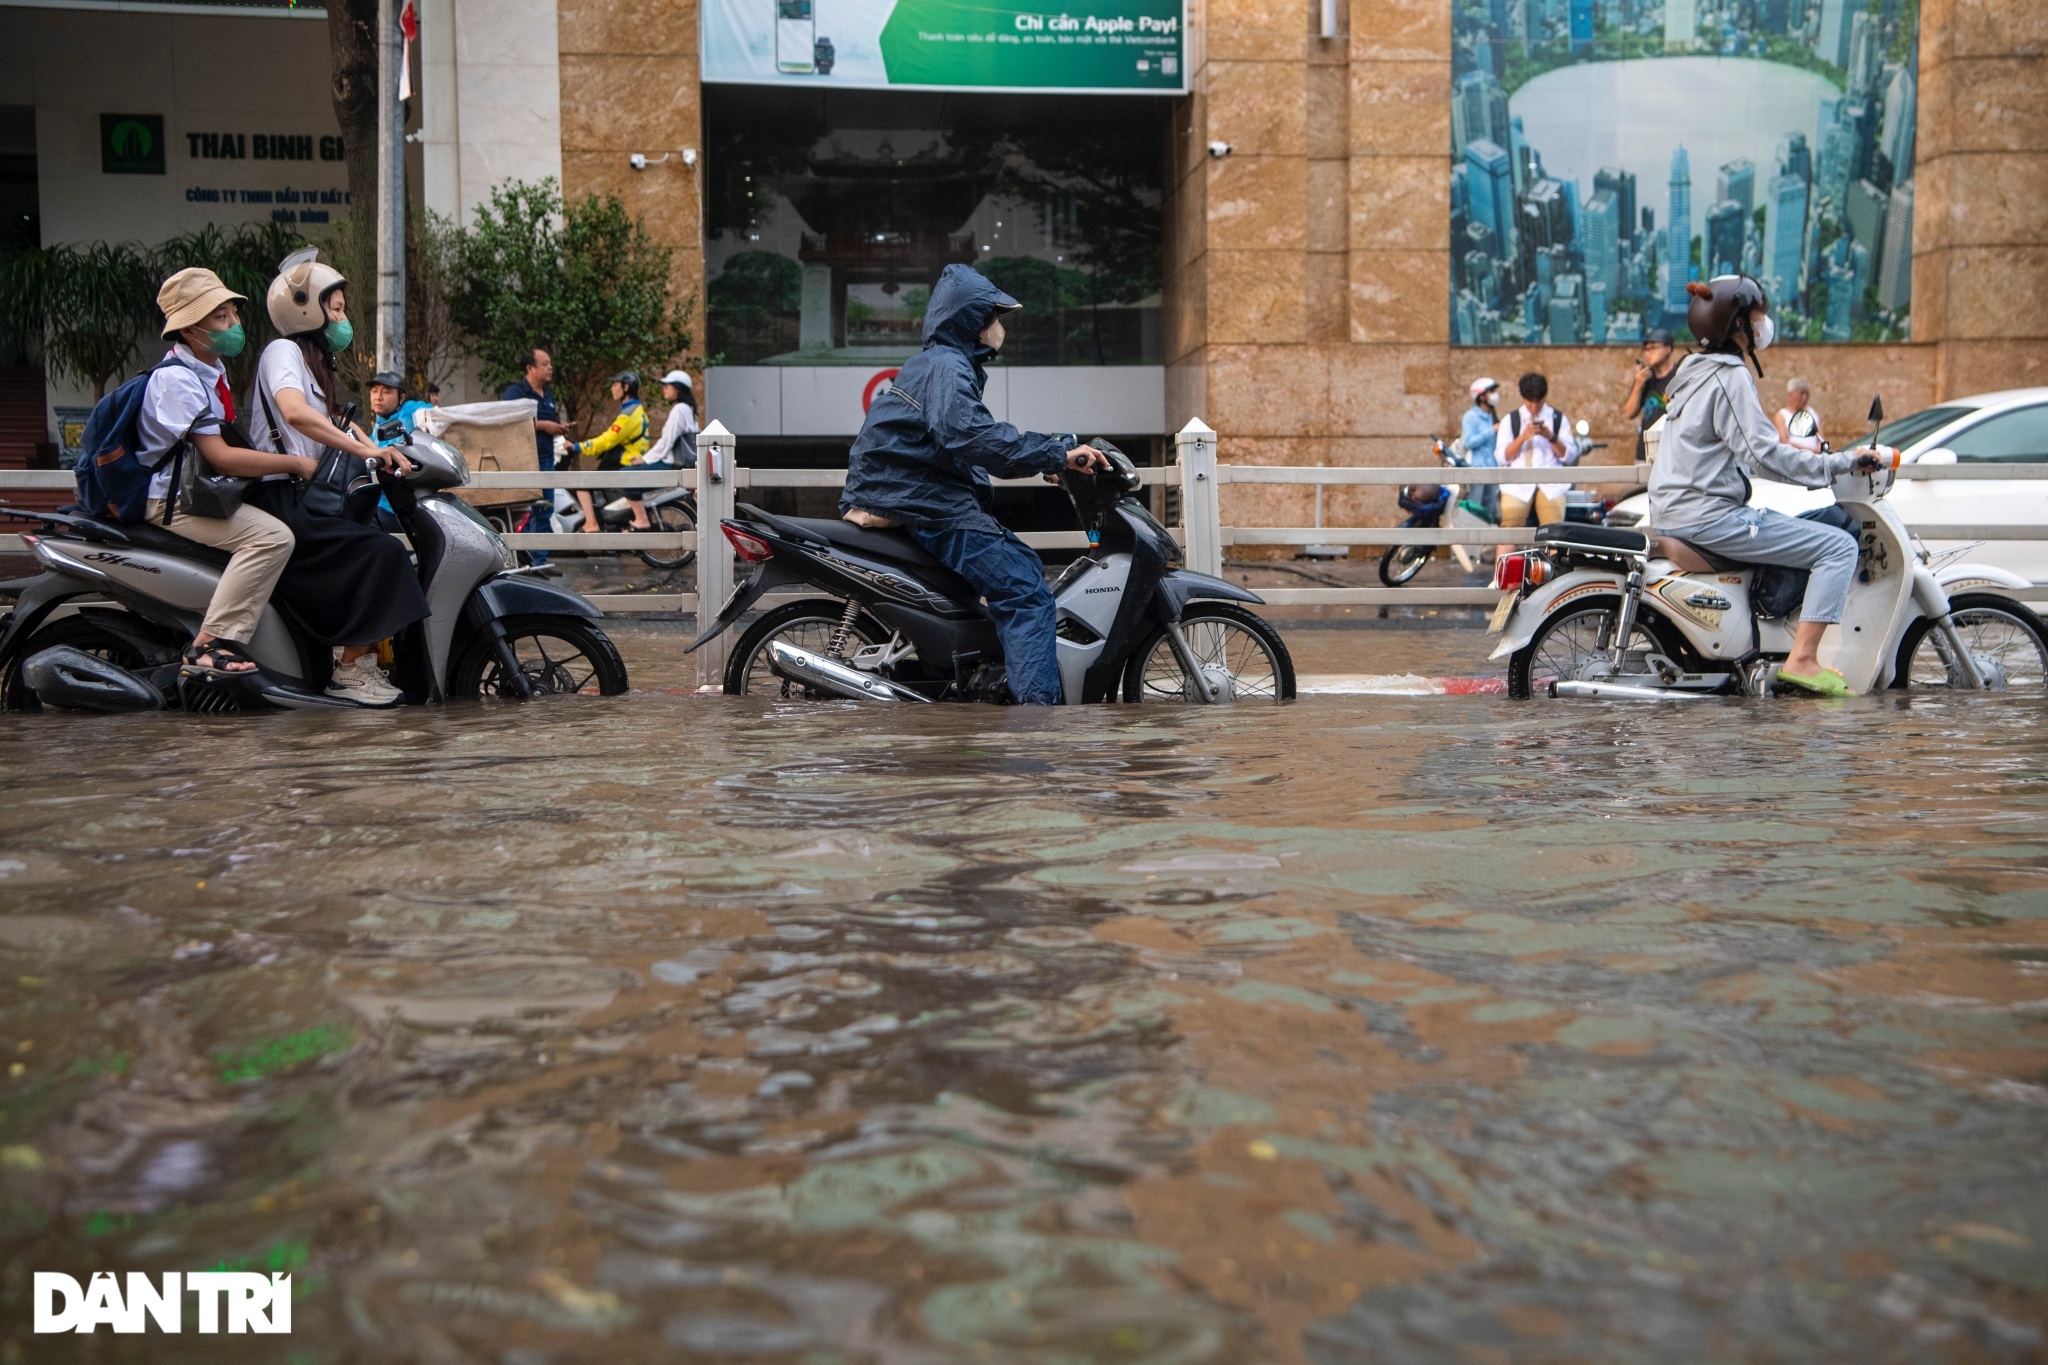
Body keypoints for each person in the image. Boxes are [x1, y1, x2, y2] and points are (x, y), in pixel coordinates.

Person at [841, 264, 1108, 705]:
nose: (999, 327)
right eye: (995, 317)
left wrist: (1050, 454)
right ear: (974, 320)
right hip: (926, 501)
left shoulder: (936, 363)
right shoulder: (949, 367)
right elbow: (971, 437)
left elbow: (960, 441)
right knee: (1025, 589)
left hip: (911, 493)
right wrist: (1055, 454)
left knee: (981, 592)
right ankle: (1037, 723)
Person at [1649, 275, 1889, 696]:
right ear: (1736, 324)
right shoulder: (1728, 376)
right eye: (1757, 317)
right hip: (1710, 517)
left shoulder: (1693, 372)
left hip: (1678, 513)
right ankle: (1803, 659)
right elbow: (1764, 455)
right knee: (1838, 546)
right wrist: (1839, 464)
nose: (1764, 326)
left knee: (1808, 525)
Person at [245, 248, 430, 706]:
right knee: (382, 553)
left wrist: (383, 452)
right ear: (307, 308)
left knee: (381, 534)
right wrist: (367, 451)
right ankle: (349, 670)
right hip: (283, 498)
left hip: (307, 496)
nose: (342, 320)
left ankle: (359, 657)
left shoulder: (314, 364)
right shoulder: (282, 352)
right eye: (337, 309)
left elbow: (339, 422)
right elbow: (296, 414)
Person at [134, 268, 300, 678]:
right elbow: (221, 457)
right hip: (170, 500)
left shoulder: (211, 372)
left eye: (233, 314)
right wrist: (297, 463)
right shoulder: (177, 381)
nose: (234, 326)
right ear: (190, 331)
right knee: (272, 538)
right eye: (220, 318)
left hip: (196, 493)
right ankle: (207, 644)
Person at [566, 371, 653, 532]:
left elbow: (607, 440)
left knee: (580, 483)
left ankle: (591, 524)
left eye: (615, 385)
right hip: (628, 463)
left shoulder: (628, 414)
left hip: (622, 464)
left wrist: (578, 447)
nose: (612, 389)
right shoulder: (636, 410)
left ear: (625, 387)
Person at [503, 349, 566, 568]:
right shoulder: (515, 392)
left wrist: (557, 428)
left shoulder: (548, 396)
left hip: (546, 459)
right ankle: (524, 564)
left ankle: (540, 563)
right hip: (523, 462)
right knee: (525, 512)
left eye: (550, 363)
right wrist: (543, 426)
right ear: (530, 368)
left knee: (545, 509)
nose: (550, 368)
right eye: (544, 364)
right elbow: (507, 420)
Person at [1496, 371, 1579, 535]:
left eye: (1539, 401)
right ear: (1523, 398)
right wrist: (1522, 438)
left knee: (1554, 531)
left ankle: (1550, 561)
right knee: (1509, 528)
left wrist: (1551, 437)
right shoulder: (1511, 420)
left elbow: (1570, 456)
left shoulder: (1557, 418)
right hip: (1517, 484)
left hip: (1551, 483)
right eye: (1529, 401)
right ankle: (1503, 561)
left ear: (1545, 396)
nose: (1534, 407)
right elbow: (1502, 457)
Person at [1622, 327, 1680, 432]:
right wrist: (1638, 385)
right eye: (1646, 349)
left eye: (1653, 348)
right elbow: (1629, 413)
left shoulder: (1679, 375)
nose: (1648, 353)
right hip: (1647, 444)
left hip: (1671, 441)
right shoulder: (1645, 377)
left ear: (1667, 349)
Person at [1460, 377, 1501, 522]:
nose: (1495, 394)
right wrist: (1492, 430)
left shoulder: (1494, 416)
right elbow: (1469, 442)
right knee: (1475, 507)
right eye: (1491, 391)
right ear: (1481, 396)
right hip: (1476, 469)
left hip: (1493, 469)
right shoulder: (1470, 417)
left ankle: (1486, 542)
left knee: (1490, 509)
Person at [643, 370, 699, 469]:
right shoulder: (688, 409)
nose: (664, 389)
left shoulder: (679, 409)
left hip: (670, 463)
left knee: (625, 472)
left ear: (678, 388)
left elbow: (667, 441)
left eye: (667, 386)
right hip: (680, 463)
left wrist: (644, 459)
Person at [1774, 376, 1825, 452]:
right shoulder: (1782, 416)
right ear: (1790, 395)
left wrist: (1819, 447)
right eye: (1801, 394)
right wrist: (1811, 450)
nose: (1804, 398)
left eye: (1806, 394)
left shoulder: (1813, 413)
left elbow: (1821, 438)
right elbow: (1784, 442)